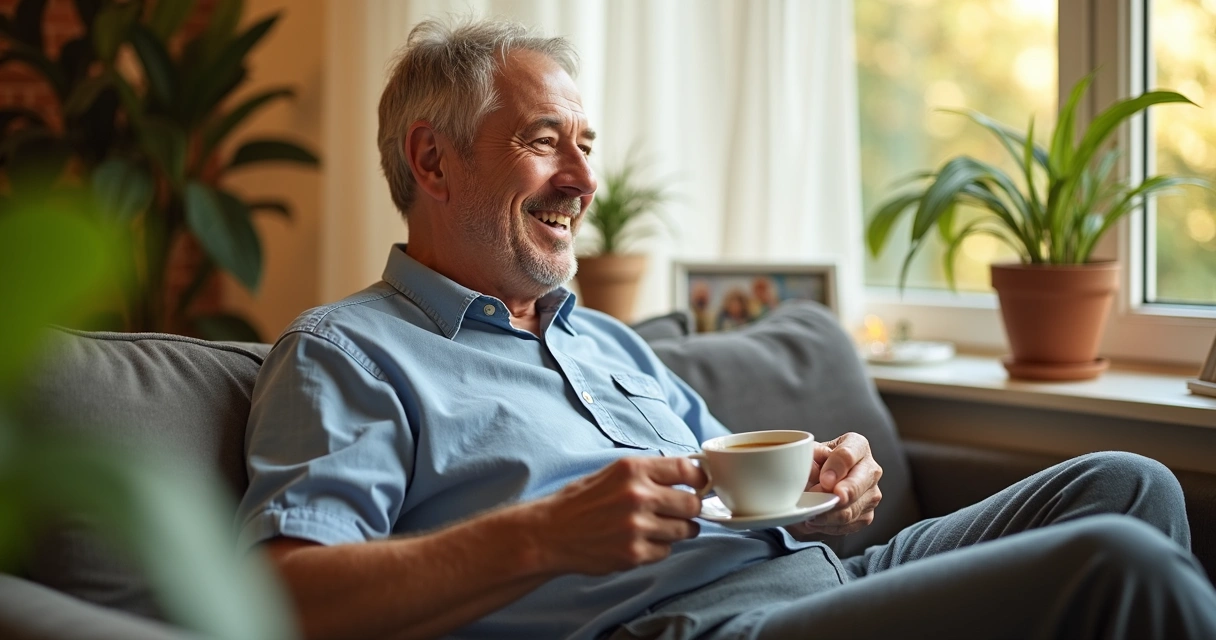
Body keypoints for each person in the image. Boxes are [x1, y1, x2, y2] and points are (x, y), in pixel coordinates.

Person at [235, 17, 1216, 640]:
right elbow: (281, 599)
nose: (582, 180)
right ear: (432, 161)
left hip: (827, 573)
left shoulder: (608, 342)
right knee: (1113, 566)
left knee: (1127, 484)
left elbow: (730, 499)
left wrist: (825, 489)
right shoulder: (346, 351)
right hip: (689, 627)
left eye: (584, 145)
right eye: (543, 143)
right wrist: (542, 535)